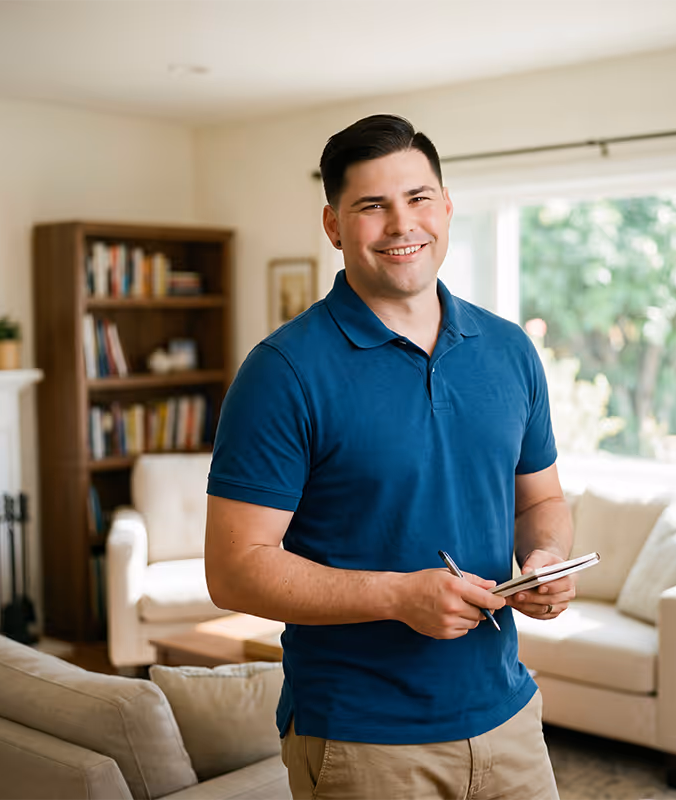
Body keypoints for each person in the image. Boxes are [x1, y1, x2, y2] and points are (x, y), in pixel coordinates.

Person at [205, 114, 575, 800]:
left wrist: (546, 558)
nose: (403, 224)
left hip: (509, 718)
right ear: (333, 225)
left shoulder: (510, 350)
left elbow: (541, 500)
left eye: (418, 198)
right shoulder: (282, 371)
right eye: (372, 206)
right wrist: (398, 597)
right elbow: (234, 571)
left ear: (446, 207)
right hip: (361, 739)